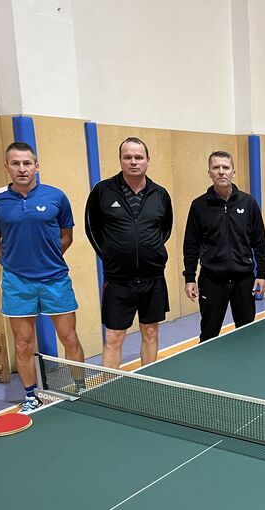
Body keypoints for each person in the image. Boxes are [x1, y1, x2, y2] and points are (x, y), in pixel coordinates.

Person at [0, 142, 85, 413]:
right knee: (23, 343)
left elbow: (67, 236)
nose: (22, 168)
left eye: (27, 163)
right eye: (15, 163)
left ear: (36, 166)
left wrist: (48, 258)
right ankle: (30, 397)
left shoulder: (56, 197)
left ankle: (80, 389)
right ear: (7, 167)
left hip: (55, 279)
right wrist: (13, 261)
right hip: (17, 283)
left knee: (69, 337)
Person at [85, 137, 173, 368]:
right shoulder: (102, 191)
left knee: (151, 331)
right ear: (120, 160)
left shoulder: (160, 194)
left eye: (138, 157)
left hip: (152, 277)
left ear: (147, 160)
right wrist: (110, 255)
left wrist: (149, 252)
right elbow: (92, 229)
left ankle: (148, 380)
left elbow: (165, 229)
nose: (133, 162)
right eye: (128, 157)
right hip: (118, 279)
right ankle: (111, 385)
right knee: (114, 336)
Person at [183, 151, 265, 342]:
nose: (221, 171)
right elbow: (191, 245)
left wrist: (261, 273)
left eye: (226, 167)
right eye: (216, 167)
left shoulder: (248, 202)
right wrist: (189, 277)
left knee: (247, 336)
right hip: (212, 280)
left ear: (233, 172)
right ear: (209, 173)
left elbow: (259, 241)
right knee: (209, 335)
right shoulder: (199, 206)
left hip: (243, 279)